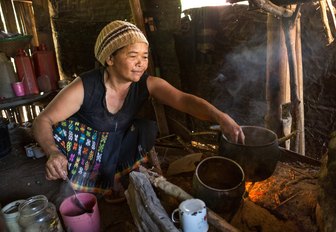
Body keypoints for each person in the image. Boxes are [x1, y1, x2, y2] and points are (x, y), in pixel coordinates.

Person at [32, 20, 245, 201]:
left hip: (114, 138)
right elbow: (43, 120)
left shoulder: (147, 83)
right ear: (110, 58)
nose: (141, 64)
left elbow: (183, 100)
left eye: (145, 56)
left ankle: (112, 176)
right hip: (84, 144)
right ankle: (92, 179)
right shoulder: (85, 86)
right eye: (133, 55)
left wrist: (219, 115)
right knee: (70, 184)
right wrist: (53, 153)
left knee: (142, 130)